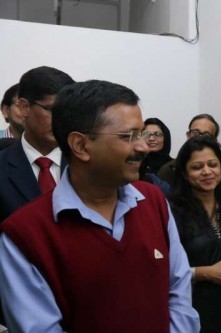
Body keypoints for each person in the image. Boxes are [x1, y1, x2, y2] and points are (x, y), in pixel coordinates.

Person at [0, 80, 200, 332]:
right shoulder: (24, 235)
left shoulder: (154, 202)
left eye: (142, 134)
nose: (142, 146)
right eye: (129, 136)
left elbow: (179, 292)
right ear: (81, 145)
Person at [167, 135, 221, 333]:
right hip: (189, 306)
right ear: (184, 172)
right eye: (197, 167)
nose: (207, 172)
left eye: (212, 164)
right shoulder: (170, 212)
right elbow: (159, 268)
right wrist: (204, 273)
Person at [0, 66, 74, 222]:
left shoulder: (87, 164)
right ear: (24, 107)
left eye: (68, 111)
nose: (62, 119)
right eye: (52, 110)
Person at [158, 113, 221, 190]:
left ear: (215, 141)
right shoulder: (169, 170)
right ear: (188, 135)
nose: (199, 138)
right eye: (195, 133)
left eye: (206, 135)